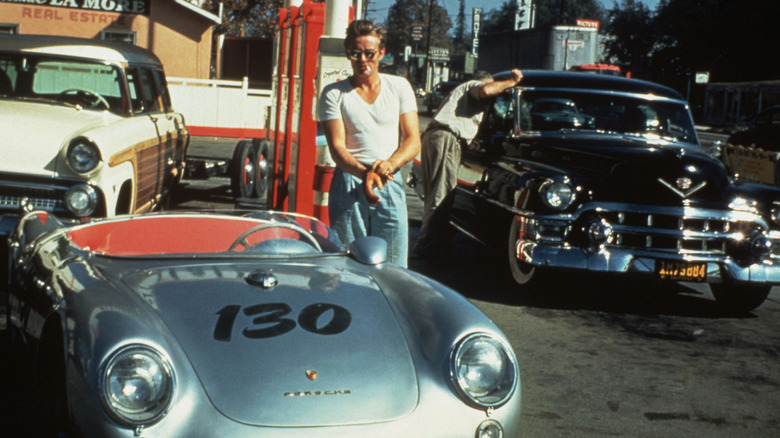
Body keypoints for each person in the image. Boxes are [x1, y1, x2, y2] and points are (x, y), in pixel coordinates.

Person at [317, 20, 421, 268]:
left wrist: (389, 165)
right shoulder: (333, 94)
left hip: (389, 179)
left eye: (369, 53)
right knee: (348, 261)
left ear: (382, 53)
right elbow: (338, 150)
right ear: (348, 54)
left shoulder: (399, 87)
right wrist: (365, 174)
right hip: (350, 181)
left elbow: (413, 139)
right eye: (356, 53)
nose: (363, 59)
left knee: (394, 264)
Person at [413, 69, 523, 258]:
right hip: (447, 139)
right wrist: (511, 82)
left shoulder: (462, 96)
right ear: (484, 81)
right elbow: (486, 91)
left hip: (435, 137)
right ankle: (427, 248)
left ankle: (437, 242)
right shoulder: (474, 86)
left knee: (435, 194)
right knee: (441, 196)